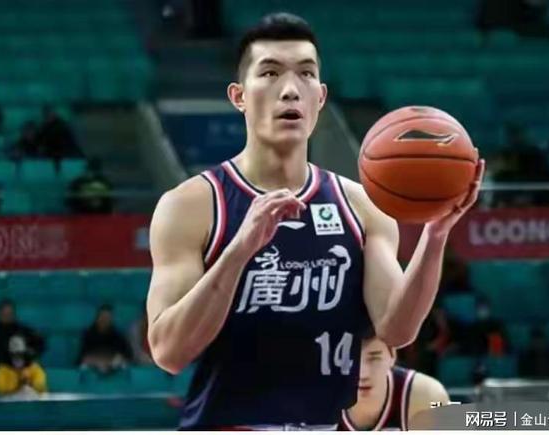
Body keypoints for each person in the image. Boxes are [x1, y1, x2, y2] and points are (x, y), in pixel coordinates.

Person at [146, 13, 484, 429]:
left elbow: (397, 330)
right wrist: (239, 251)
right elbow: (169, 352)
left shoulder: (362, 207)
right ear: (239, 96)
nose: (290, 90)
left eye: (306, 74)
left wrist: (435, 236)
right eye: (270, 73)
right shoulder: (191, 206)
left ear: (320, 97)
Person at [338, 327, 449, 431]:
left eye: (374, 358)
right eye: (350, 358)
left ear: (392, 355)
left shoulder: (429, 396)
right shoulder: (326, 396)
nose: (362, 374)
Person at [0, 299, 46, 370]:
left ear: (14, 314)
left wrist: (29, 355)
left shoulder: (26, 332)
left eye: (9, 313)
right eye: (4, 313)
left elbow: (40, 345)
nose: (7, 316)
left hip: (22, 372)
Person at [78, 305, 133, 374]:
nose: (104, 320)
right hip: (92, 367)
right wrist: (97, 361)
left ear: (111, 319)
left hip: (114, 367)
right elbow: (83, 356)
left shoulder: (118, 336)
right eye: (102, 317)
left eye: (107, 317)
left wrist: (111, 361)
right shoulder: (88, 335)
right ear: (97, 318)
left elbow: (127, 356)